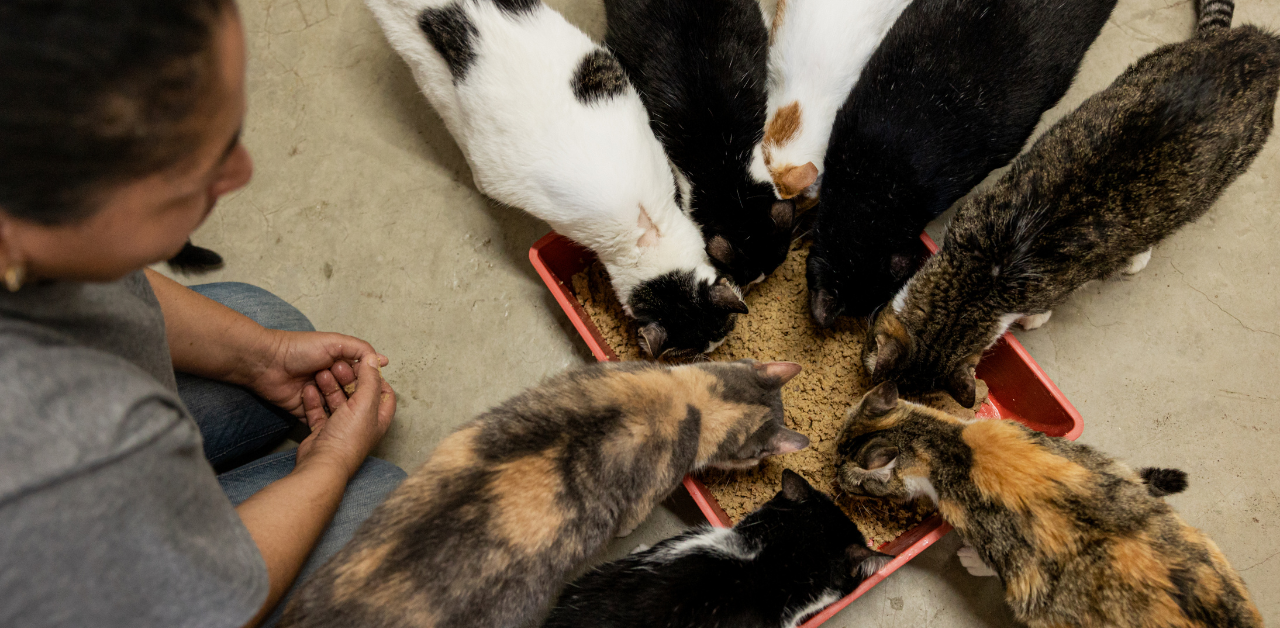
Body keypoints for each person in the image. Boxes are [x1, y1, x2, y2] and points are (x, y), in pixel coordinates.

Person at [0, 1, 406, 626]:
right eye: (193, 175)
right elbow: (217, 610)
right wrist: (327, 465)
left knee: (264, 321)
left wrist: (259, 354)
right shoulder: (71, 444)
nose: (243, 174)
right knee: (393, 514)